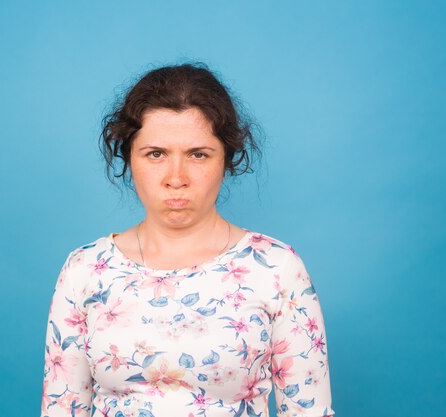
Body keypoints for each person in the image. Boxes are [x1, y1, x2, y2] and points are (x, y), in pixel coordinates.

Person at [40, 63, 335, 417]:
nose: (176, 178)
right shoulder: (84, 271)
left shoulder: (276, 269)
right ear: (128, 158)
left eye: (198, 154)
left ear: (226, 159)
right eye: (156, 154)